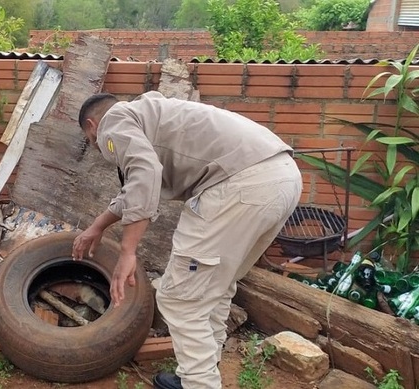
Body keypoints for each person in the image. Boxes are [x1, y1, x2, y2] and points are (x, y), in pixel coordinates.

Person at [71, 91, 302, 389]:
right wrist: (97, 226)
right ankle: (201, 370)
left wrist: (128, 251)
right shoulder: (151, 113)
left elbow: (145, 174)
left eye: (93, 142)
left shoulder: (112, 122)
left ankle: (200, 383)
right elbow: (134, 188)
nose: (99, 147)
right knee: (216, 287)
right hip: (281, 178)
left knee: (178, 298)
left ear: (93, 125)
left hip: (238, 186)